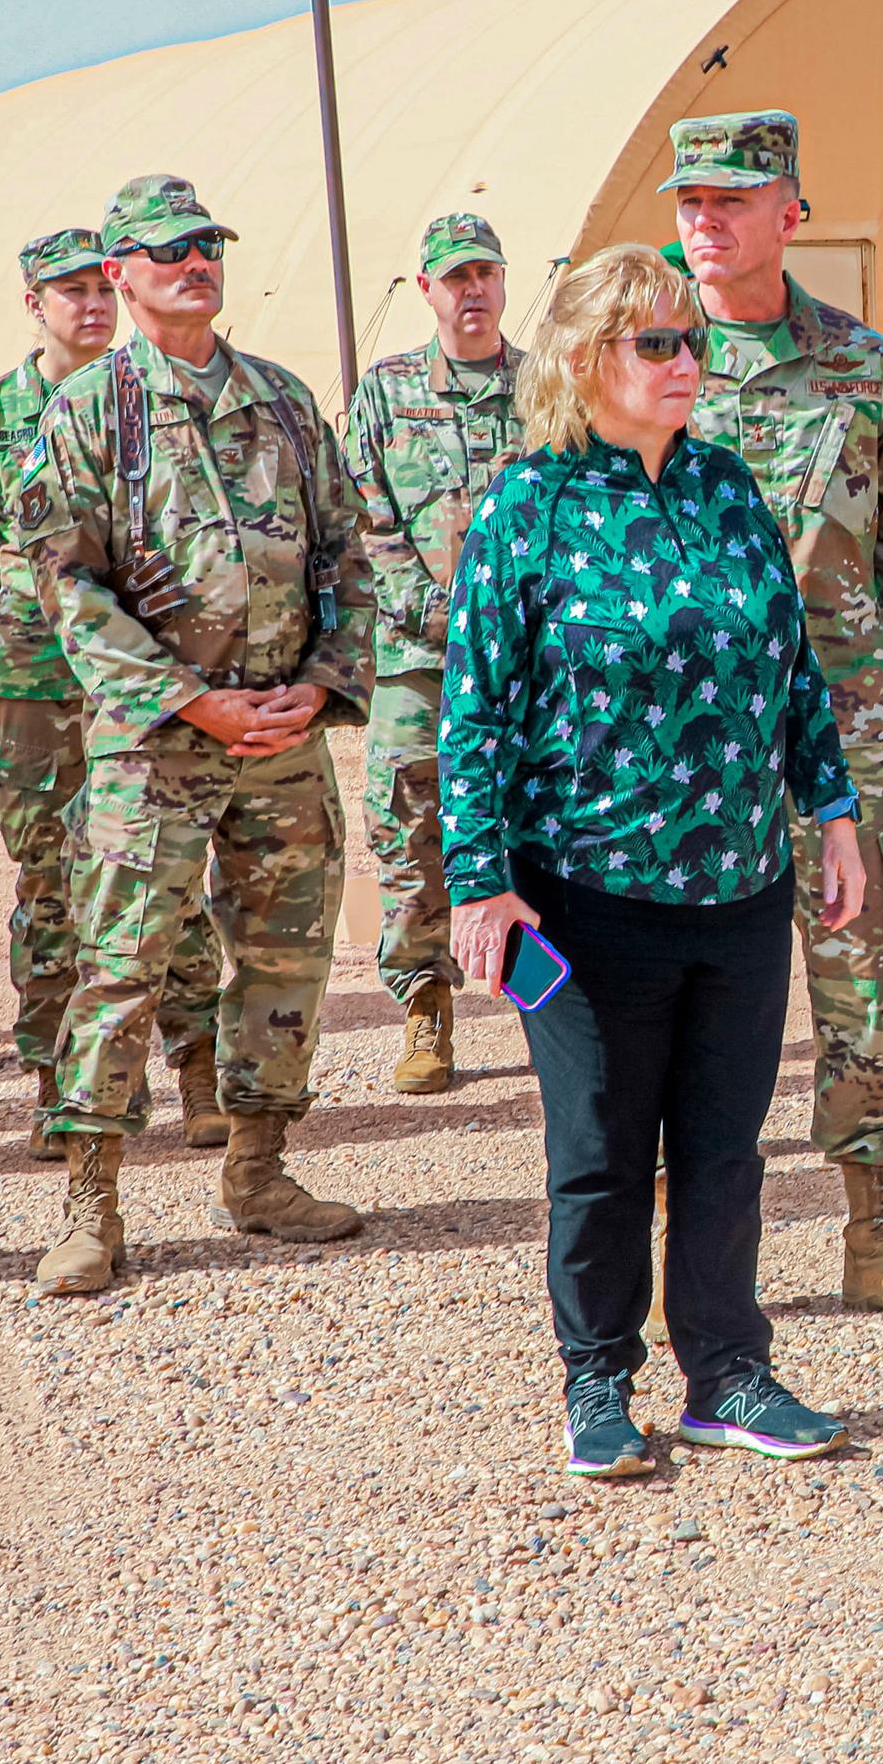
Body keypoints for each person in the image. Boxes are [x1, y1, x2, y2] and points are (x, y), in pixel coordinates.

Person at [442, 244, 875, 1475]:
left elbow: (792, 671)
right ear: (587, 361)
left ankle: (729, 1373)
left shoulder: (731, 490)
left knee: (727, 1148)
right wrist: (480, 877)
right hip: (587, 894)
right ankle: (597, 1384)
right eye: (660, 343)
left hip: (737, 888)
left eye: (695, 341)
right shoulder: (530, 507)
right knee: (600, 1151)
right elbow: (472, 709)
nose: (690, 362)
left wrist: (831, 813)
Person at [13, 174, 374, 1295]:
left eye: (207, 243)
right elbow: (65, 586)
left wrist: (319, 686)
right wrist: (189, 699)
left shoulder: (283, 400)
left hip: (283, 735)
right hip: (157, 741)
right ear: (119, 272)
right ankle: (92, 1202)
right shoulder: (88, 412)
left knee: (285, 954)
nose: (194, 262)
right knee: (119, 966)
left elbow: (348, 558)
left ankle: (259, 1169)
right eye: (167, 250)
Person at [670, 112, 883, 1327]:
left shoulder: (862, 366)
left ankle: (876, 1239)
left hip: (844, 738)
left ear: (790, 211)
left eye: (734, 200)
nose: (708, 221)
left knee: (863, 983)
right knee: (683, 997)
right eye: (692, 201)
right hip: (687, 746)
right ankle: (680, 1260)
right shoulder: (645, 360)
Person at [0, 227, 230, 1158]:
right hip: (37, 684)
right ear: (34, 303)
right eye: (69, 294)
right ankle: (56, 1085)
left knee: (168, 878)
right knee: (50, 886)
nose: (92, 308)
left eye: (98, 290)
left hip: (144, 682)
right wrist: (10, 619)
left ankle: (197, 1076)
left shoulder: (152, 400)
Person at [344, 212, 528, 1099]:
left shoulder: (543, 390)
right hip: (419, 659)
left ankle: (548, 1002)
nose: (475, 291)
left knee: (535, 825)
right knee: (409, 828)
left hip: (530, 662)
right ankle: (426, 1004)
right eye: (456, 277)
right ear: (426, 290)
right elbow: (364, 522)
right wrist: (445, 621)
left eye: (486, 274)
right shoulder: (386, 393)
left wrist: (514, 628)